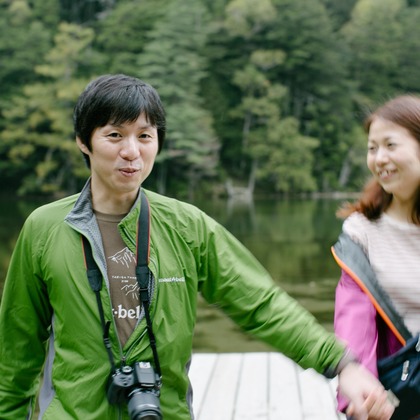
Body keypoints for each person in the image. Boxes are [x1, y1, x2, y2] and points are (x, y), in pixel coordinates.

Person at [0, 74, 394, 420]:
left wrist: (342, 364)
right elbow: (17, 352)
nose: (132, 152)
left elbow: (260, 303)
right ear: (84, 142)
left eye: (145, 136)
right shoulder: (44, 228)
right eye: (115, 135)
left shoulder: (186, 226)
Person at [332, 94, 420, 416]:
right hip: (402, 390)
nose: (379, 158)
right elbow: (354, 323)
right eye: (372, 148)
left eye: (391, 145)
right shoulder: (362, 233)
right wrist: (364, 395)